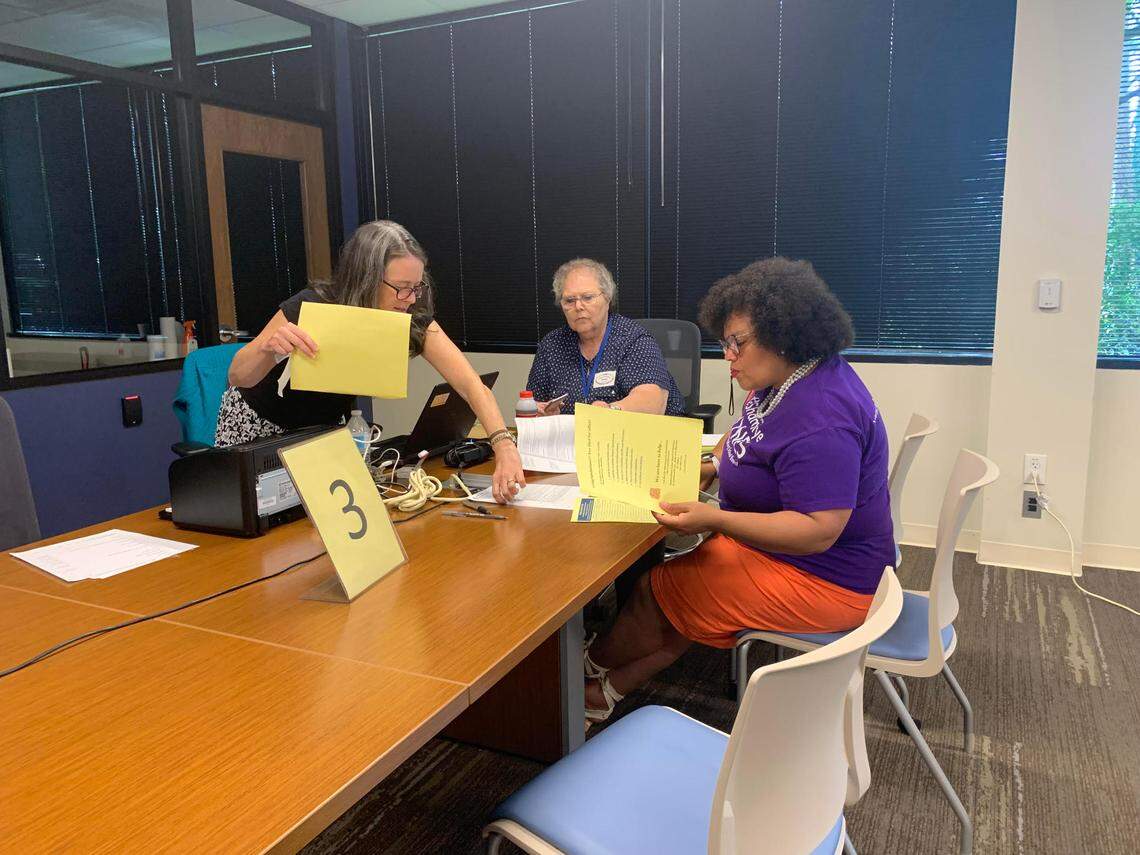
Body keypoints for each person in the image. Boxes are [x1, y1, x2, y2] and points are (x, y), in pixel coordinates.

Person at [581, 257, 894, 722]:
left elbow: (818, 530)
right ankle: (603, 691)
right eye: (724, 342)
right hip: (801, 559)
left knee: (656, 589)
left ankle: (586, 667)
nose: (727, 355)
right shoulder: (784, 378)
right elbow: (743, 435)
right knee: (687, 594)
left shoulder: (822, 416)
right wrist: (711, 466)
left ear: (784, 333)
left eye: (737, 343)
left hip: (830, 578)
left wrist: (715, 518)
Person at [219, 220, 526, 504]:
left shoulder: (410, 315)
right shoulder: (311, 304)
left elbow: (471, 385)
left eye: (417, 287)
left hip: (321, 431)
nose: (410, 298)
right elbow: (237, 375)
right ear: (366, 278)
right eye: (401, 286)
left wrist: (504, 446)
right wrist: (269, 350)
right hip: (259, 429)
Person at [525, 258, 684, 416]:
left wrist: (608, 412)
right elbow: (532, 402)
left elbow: (653, 403)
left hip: (637, 437)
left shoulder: (633, 339)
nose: (578, 306)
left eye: (587, 297)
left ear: (607, 298)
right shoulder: (551, 346)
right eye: (569, 300)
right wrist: (538, 412)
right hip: (573, 439)